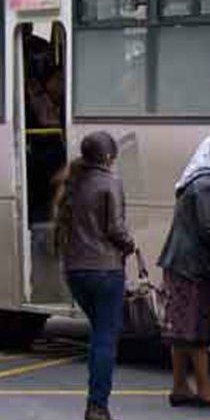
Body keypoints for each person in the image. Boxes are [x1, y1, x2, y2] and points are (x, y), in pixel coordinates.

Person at [53, 131, 135, 420]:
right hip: (105, 269)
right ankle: (97, 405)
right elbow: (115, 228)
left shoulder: (73, 181)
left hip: (75, 270)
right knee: (105, 337)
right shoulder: (110, 183)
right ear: (109, 157)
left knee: (99, 331)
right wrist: (130, 245)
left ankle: (96, 402)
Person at [157, 136, 210, 408]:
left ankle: (180, 386)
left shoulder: (193, 179)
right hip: (194, 265)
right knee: (198, 329)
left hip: (179, 262)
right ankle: (206, 389)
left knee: (180, 329)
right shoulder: (207, 184)